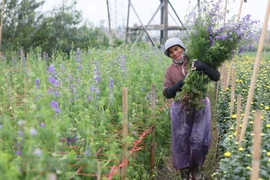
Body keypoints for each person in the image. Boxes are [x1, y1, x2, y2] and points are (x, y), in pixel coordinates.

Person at [162, 37, 220, 180]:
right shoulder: (169, 70)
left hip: (199, 105)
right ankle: (185, 173)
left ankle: (196, 169)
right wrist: (180, 84)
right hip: (180, 108)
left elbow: (216, 76)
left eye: (176, 49)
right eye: (171, 52)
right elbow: (166, 92)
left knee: (200, 140)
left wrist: (203, 66)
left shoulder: (194, 62)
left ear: (182, 47)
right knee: (181, 140)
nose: (175, 53)